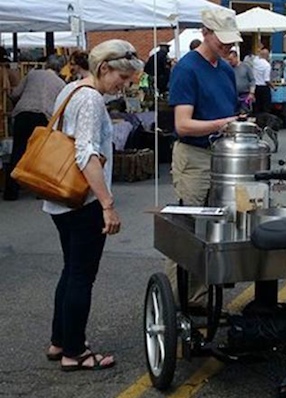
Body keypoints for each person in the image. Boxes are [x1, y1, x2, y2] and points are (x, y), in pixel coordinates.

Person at [44, 39, 143, 371]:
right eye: (122, 78)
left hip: (60, 195)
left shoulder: (71, 90)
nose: (124, 86)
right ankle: (75, 351)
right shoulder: (90, 100)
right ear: (105, 69)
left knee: (71, 270)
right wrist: (107, 204)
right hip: (82, 200)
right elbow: (85, 154)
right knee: (81, 276)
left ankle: (61, 340)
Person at [167, 9, 241, 307]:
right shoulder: (186, 69)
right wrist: (222, 124)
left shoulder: (224, 69)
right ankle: (175, 301)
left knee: (218, 227)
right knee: (188, 230)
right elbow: (182, 124)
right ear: (205, 33)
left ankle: (200, 295)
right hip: (195, 156)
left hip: (222, 156)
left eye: (230, 42)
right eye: (223, 41)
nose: (228, 47)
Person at [3, 57, 66, 201]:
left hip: (23, 114)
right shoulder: (61, 84)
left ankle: (11, 191)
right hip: (43, 117)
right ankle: (39, 191)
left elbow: (16, 93)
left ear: (47, 64)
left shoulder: (33, 74)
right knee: (40, 155)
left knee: (18, 151)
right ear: (61, 67)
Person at [227, 49, 255, 114]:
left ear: (236, 57)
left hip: (244, 95)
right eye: (228, 59)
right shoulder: (228, 68)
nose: (230, 61)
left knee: (244, 113)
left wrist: (251, 93)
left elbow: (252, 80)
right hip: (233, 95)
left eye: (231, 59)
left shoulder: (246, 66)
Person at [252, 48, 273, 114]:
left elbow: (257, 55)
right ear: (267, 55)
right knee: (265, 108)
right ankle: (265, 120)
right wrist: (273, 87)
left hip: (256, 87)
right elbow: (267, 80)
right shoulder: (267, 65)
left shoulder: (255, 62)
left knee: (257, 106)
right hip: (264, 88)